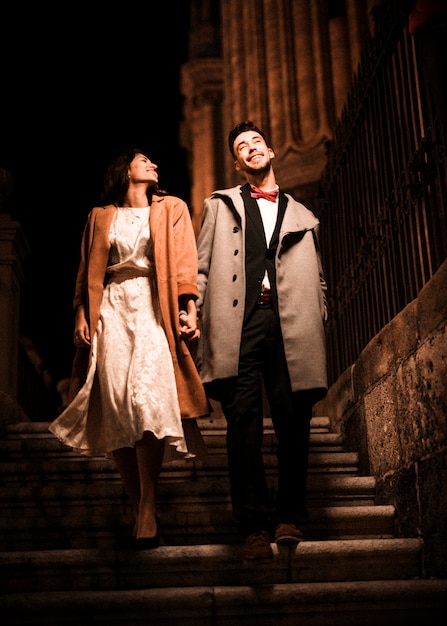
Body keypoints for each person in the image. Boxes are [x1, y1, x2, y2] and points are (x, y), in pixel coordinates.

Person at [49, 147, 211, 548]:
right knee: (120, 404)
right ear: (125, 171)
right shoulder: (100, 215)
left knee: (149, 399)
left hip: (154, 308)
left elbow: (185, 263)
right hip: (112, 309)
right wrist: (81, 314)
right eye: (144, 161)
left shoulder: (172, 208)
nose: (153, 164)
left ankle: (148, 504)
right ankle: (142, 507)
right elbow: (86, 270)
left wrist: (189, 309)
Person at [196, 121, 328, 560]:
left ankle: (288, 514)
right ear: (238, 163)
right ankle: (253, 525)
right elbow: (200, 267)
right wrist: (191, 311)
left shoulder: (302, 214)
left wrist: (319, 312)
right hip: (241, 324)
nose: (250, 149)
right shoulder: (221, 206)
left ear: (270, 152)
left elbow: (319, 278)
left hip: (290, 324)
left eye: (256, 142)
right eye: (241, 147)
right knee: (243, 423)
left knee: (294, 420)